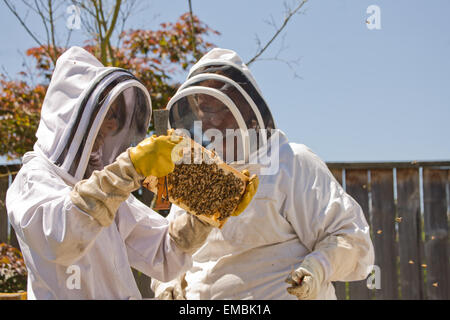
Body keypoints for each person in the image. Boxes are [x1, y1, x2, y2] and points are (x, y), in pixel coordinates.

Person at [5, 46, 255, 299]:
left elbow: (164, 255)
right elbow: (61, 239)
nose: (113, 125)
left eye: (117, 117)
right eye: (108, 114)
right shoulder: (32, 180)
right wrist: (128, 169)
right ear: (74, 115)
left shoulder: (105, 193)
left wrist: (206, 210)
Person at [152, 48, 375, 300]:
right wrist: (167, 283)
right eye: (205, 109)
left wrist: (318, 269)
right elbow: (171, 248)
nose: (212, 120)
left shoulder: (291, 162)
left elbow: (352, 239)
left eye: (221, 107)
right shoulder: (194, 174)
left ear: (248, 108)